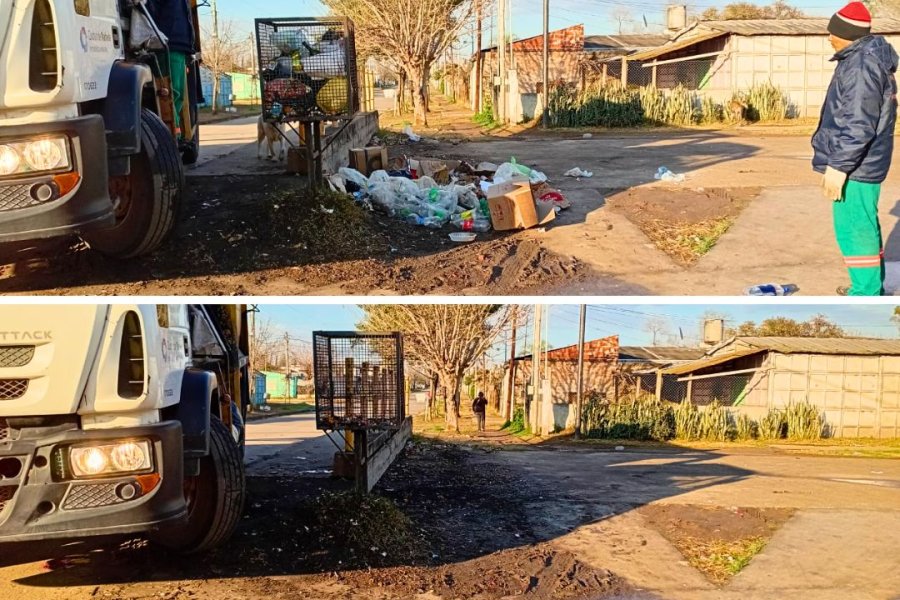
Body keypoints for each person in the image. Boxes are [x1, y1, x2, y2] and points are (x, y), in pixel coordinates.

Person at [812, 2, 898, 296]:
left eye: (832, 31)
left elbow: (859, 123)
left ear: (845, 33)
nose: (829, 37)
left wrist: (839, 166)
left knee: (853, 230)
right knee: (864, 225)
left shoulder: (861, 65)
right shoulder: (862, 58)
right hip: (862, 162)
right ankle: (870, 285)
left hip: (857, 165)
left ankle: (866, 292)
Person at [145, 0, 196, 135]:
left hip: (179, 47)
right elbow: (150, 12)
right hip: (166, 45)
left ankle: (175, 133)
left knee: (177, 94)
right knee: (170, 93)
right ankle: (173, 134)